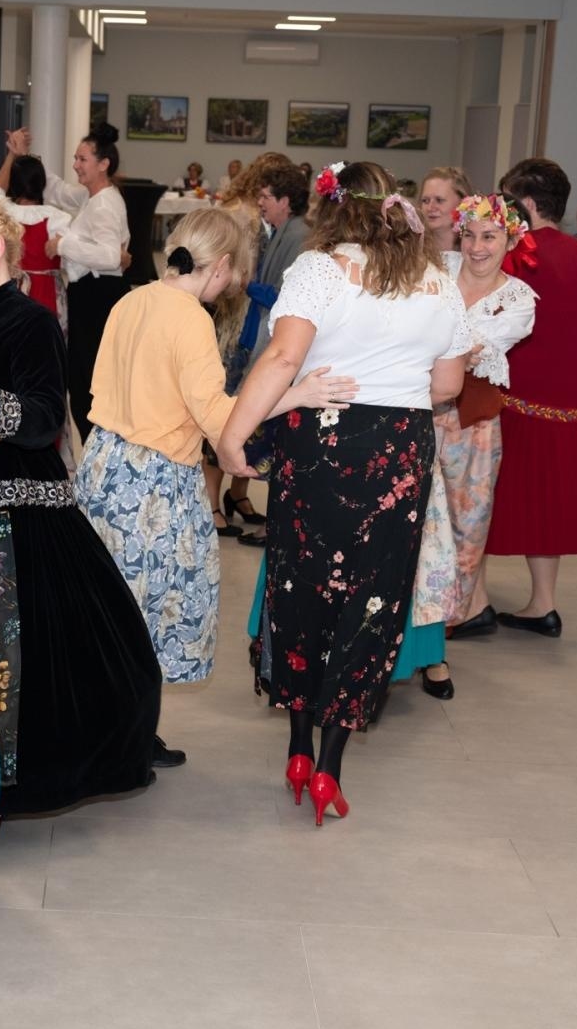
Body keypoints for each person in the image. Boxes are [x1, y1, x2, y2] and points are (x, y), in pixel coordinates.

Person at [216, 161, 468, 826]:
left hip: (323, 439)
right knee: (373, 597)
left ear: (330, 209)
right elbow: (448, 386)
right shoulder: (437, 280)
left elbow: (281, 359)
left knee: (303, 586)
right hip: (400, 448)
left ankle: (298, 749)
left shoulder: (319, 271)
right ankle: (329, 764)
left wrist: (232, 438)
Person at [0, 195, 169, 811]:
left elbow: (43, 419)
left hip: (16, 517)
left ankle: (4, 779)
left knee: (30, 658)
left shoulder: (29, 322)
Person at [77, 208, 355, 692]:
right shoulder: (190, 319)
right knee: (154, 612)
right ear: (221, 264)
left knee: (107, 607)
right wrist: (297, 394)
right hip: (154, 481)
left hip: (103, 464)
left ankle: (114, 717)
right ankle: (133, 725)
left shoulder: (132, 299)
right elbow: (220, 419)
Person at [405, 195, 535, 694]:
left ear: (510, 241)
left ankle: (436, 640)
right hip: (413, 413)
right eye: (471, 235)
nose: (478, 247)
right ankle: (399, 634)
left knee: (465, 529)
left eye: (490, 237)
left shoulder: (517, 300)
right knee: (409, 521)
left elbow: (464, 349)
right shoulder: (439, 267)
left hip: (471, 426)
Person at [483, 158, 577, 638]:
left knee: (484, 497)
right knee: (549, 504)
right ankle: (543, 603)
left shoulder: (515, 254)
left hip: (514, 396)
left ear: (526, 203)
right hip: (571, 401)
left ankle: (471, 601)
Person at [5, 125, 128, 442]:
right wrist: (25, 156)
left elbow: (110, 256)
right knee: (82, 379)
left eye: (82, 159)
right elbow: (57, 190)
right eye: (76, 158)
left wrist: (63, 245)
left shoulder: (105, 204)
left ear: (103, 164)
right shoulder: (92, 196)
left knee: (87, 380)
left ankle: (96, 449)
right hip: (90, 292)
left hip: (97, 296)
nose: (75, 165)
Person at [224, 159, 313, 548]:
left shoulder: (299, 235)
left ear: (285, 200)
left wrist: (247, 285)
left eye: (265, 196)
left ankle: (273, 524)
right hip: (259, 334)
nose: (259, 202)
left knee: (276, 439)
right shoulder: (280, 231)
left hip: (278, 343)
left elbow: (285, 297)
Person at [0, 153, 72, 326]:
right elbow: (69, 261)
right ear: (42, 183)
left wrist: (11, 154)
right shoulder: (58, 218)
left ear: (13, 183)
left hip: (11, 291)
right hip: (47, 293)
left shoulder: (4, 212)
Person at [418, 166, 473, 252]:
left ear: (462, 203)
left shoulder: (477, 252)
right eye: (425, 201)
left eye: (439, 200)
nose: (430, 208)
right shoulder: (411, 251)